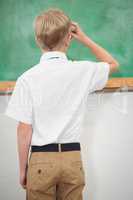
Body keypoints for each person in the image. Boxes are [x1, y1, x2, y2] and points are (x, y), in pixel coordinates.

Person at [5, 8, 119, 200]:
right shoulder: (82, 70)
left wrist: (23, 169)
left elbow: (24, 129)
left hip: (41, 160)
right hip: (72, 159)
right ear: (68, 38)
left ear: (37, 40)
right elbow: (112, 64)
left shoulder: (27, 79)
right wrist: (83, 37)